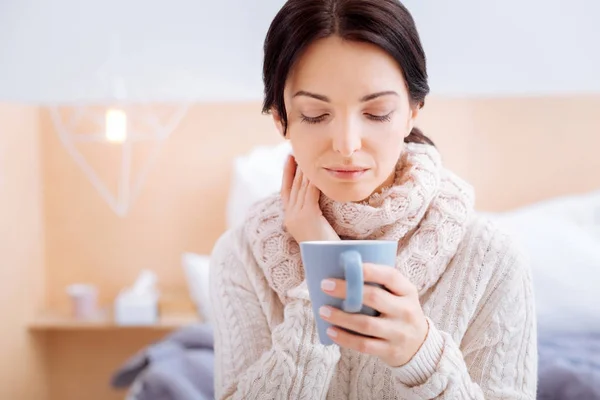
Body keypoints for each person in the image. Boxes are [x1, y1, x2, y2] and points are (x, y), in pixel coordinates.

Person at [209, 0, 538, 398]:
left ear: (413, 111)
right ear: (281, 119)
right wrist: (321, 279)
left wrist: (421, 356)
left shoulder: (492, 259)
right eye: (315, 114)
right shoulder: (241, 255)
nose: (347, 145)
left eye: (377, 112)